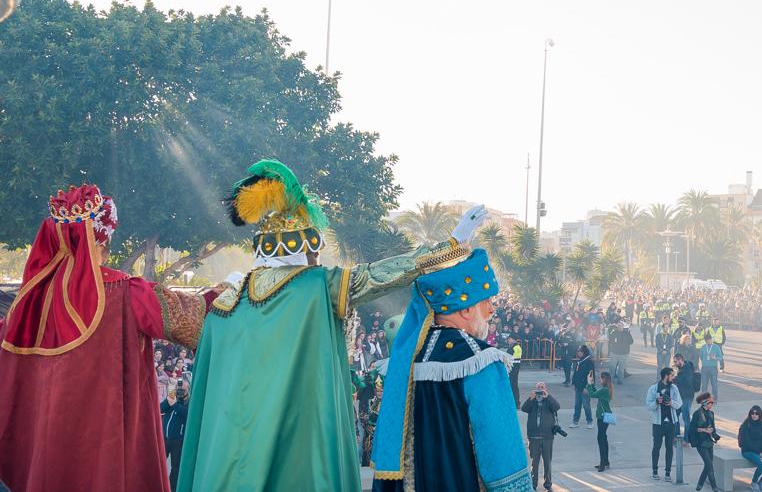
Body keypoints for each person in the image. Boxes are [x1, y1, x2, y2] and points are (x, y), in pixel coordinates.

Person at [182, 162, 490, 492]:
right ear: (304, 246)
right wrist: (453, 244)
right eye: (314, 250)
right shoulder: (315, 286)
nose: (317, 258)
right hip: (296, 454)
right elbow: (376, 276)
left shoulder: (226, 303)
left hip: (228, 463)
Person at [0, 184, 217, 492]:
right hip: (104, 448)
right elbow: (192, 320)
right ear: (101, 239)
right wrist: (227, 296)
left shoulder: (25, 305)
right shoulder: (125, 292)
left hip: (41, 455)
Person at [371, 239, 531, 492]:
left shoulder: (401, 361)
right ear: (466, 309)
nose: (491, 311)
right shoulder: (480, 361)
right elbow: (501, 452)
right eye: (486, 301)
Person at [521, 382, 561, 491]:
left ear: (545, 389)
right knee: (534, 463)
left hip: (547, 437)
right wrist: (530, 398)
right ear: (535, 389)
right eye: (538, 388)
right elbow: (524, 408)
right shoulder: (532, 401)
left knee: (547, 462)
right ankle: (533, 485)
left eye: (542, 388)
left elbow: (557, 407)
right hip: (533, 437)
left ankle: (548, 485)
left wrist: (548, 396)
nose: (540, 390)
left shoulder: (548, 400)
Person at [647, 367, 683, 482]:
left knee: (669, 448)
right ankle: (655, 471)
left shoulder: (674, 388)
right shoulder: (653, 388)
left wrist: (671, 402)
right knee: (656, 447)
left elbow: (679, 404)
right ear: (666, 376)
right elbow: (649, 405)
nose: (673, 377)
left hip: (671, 423)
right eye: (672, 375)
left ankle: (668, 472)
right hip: (658, 423)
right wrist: (657, 402)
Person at [689, 392, 723, 492]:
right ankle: (714, 487)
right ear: (705, 403)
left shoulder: (711, 414)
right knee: (709, 465)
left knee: (708, 464)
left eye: (712, 402)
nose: (712, 404)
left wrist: (714, 434)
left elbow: (712, 427)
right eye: (711, 402)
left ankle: (699, 484)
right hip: (700, 443)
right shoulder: (697, 413)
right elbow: (692, 429)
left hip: (709, 442)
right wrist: (704, 430)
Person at [739, 405, 762, 492]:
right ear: (750, 414)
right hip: (748, 451)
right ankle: (754, 483)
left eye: (756, 413)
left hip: (761, 452)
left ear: (760, 415)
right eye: (752, 413)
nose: (754, 415)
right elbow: (747, 442)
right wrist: (759, 453)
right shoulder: (745, 425)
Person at [161, 380, 190, 490]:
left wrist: (176, 404)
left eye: (183, 389)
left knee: (175, 467)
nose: (181, 391)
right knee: (159, 462)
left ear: (188, 390)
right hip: (164, 437)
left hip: (178, 439)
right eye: (179, 389)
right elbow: (160, 408)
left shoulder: (188, 402)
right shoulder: (173, 397)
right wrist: (170, 397)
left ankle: (171, 488)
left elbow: (187, 415)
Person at [587, 371, 615, 472]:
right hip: (604, 417)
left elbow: (592, 394)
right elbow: (596, 394)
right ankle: (605, 461)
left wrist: (589, 384)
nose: (600, 380)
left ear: (604, 379)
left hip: (602, 417)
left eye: (601, 378)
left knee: (601, 439)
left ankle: (603, 463)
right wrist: (592, 385)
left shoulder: (604, 390)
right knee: (603, 438)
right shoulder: (606, 389)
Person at [571, 344, 596, 428]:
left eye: (580, 351)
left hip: (585, 388)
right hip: (578, 387)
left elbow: (591, 376)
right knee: (577, 405)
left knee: (586, 405)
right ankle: (575, 421)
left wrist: (587, 387)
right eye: (578, 351)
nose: (578, 353)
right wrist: (574, 383)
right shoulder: (580, 361)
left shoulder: (588, 362)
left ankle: (589, 421)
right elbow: (576, 373)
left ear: (584, 352)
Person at [674, 352, 699, 433]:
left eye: (675, 362)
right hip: (680, 397)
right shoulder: (681, 368)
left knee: (686, 418)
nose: (675, 364)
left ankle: (686, 439)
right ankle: (676, 435)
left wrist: (676, 378)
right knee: (674, 416)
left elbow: (687, 382)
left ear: (681, 360)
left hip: (686, 397)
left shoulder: (687, 368)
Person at [508, 336, 523, 408]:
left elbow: (510, 357)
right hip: (516, 368)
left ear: (513, 339)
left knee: (511, 385)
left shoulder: (514, 347)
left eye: (510, 339)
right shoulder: (517, 347)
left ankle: (513, 403)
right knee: (514, 386)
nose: (508, 340)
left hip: (512, 368)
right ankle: (516, 402)